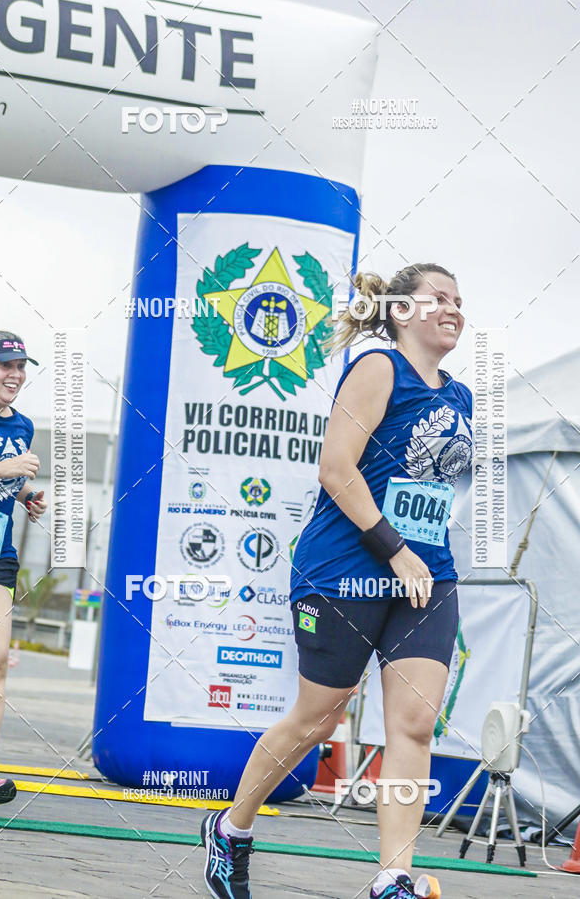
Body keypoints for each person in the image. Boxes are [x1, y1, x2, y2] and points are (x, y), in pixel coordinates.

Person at [201, 264, 474, 899]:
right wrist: (395, 548)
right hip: (345, 570)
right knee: (318, 717)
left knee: (412, 725)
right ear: (403, 311)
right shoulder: (379, 368)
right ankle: (232, 829)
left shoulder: (459, 394)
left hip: (425, 578)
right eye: (440, 299)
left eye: (460, 301)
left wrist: (418, 555)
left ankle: (394, 876)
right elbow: (335, 467)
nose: (455, 309)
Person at [0, 331, 47, 807]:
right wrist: (4, 472)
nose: (15, 374)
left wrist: (26, 497)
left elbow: (9, 480)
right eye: (5, 365)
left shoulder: (22, 425)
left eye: (21, 366)